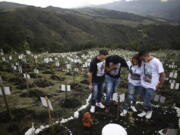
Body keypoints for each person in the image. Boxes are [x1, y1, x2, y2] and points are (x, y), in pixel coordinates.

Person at [137, 50, 165, 119]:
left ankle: (150, 110)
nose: (142, 60)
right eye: (141, 59)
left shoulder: (156, 62)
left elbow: (162, 74)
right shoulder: (144, 61)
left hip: (151, 86)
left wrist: (160, 85)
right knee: (143, 99)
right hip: (143, 84)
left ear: (147, 56)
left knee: (146, 101)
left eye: (143, 59)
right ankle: (144, 110)